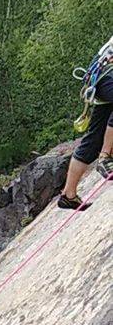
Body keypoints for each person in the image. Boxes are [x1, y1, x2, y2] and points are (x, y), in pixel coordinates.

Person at [56, 35, 113, 210]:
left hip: (100, 76)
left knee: (94, 139)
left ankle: (68, 194)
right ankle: (105, 157)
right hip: (107, 74)